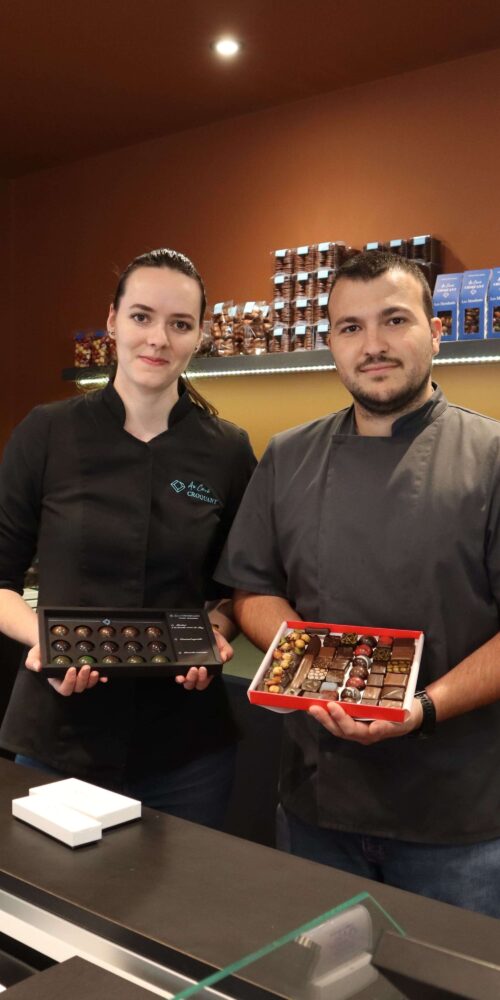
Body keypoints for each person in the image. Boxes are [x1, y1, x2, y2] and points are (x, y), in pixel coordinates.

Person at [215, 251, 500, 916]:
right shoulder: (289, 454)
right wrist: (319, 668)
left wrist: (421, 706)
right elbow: (251, 589)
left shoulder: (490, 459)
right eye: (349, 327)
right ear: (331, 343)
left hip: (457, 825)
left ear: (436, 331)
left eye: (394, 320)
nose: (372, 345)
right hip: (319, 807)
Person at [0, 247, 256, 829]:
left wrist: (214, 635)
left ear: (201, 336)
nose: (158, 338)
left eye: (179, 323)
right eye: (142, 316)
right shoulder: (47, 432)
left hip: (187, 749)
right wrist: (51, 638)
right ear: (113, 321)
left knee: (179, 917)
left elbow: (238, 585)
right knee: (53, 913)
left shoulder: (228, 449)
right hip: (57, 734)